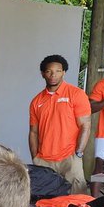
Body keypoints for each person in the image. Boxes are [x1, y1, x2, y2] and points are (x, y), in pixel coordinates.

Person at [28, 54, 91, 194]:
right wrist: (35, 157)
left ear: (64, 72)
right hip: (44, 160)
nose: (53, 75)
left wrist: (78, 154)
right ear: (43, 74)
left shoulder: (76, 94)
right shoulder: (36, 101)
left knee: (77, 199)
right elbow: (33, 132)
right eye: (49, 71)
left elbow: (85, 125)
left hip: (69, 157)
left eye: (57, 71)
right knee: (46, 201)